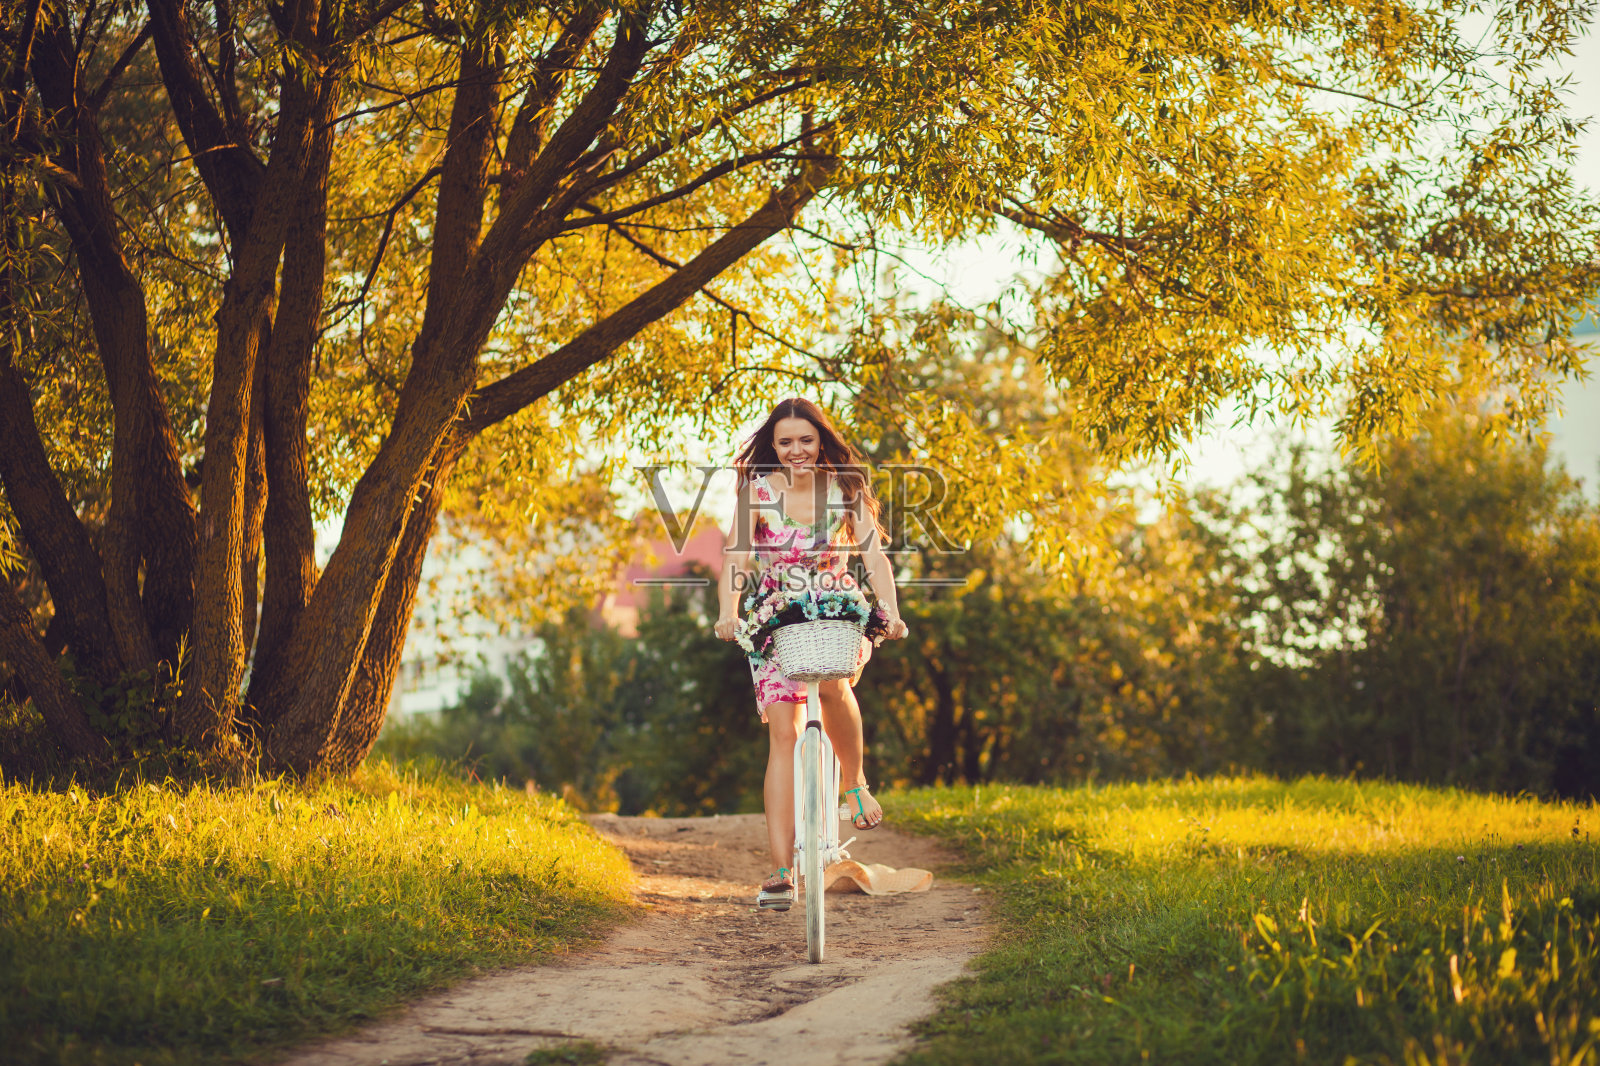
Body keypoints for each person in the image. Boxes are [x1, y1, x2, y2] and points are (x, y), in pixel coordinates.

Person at [713, 397, 910, 911]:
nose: (796, 450)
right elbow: (736, 554)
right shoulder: (755, 492)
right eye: (785, 442)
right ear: (773, 447)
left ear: (820, 441)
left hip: (835, 611)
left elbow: (873, 554)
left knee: (832, 683)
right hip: (776, 617)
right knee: (784, 732)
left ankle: (855, 782)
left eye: (805, 439)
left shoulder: (846, 488)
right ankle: (781, 871)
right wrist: (728, 611)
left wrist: (889, 610)